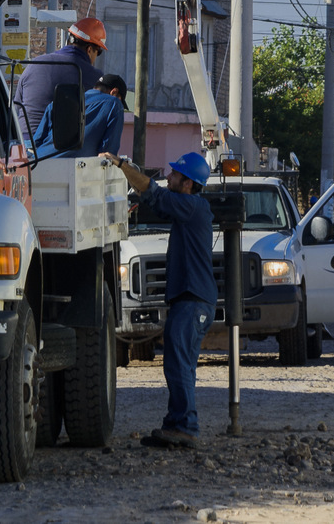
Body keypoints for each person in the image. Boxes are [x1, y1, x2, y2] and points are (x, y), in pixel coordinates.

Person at [108, 150, 214, 448]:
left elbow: (152, 190)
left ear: (188, 184)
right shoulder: (189, 207)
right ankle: (175, 425)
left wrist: (121, 165)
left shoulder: (193, 207)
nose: (168, 176)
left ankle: (186, 427)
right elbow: (154, 199)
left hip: (193, 300)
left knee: (179, 364)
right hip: (188, 300)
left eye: (174, 174)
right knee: (179, 363)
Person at [13, 18, 107, 136]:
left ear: (68, 41)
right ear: (89, 50)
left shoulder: (35, 64)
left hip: (26, 143)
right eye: (98, 52)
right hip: (63, 148)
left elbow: (16, 106)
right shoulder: (95, 77)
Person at [32, 74, 128, 158]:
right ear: (114, 92)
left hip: (39, 162)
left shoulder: (56, 103)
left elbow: (37, 142)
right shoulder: (114, 103)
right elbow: (108, 152)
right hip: (73, 171)